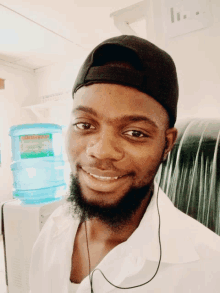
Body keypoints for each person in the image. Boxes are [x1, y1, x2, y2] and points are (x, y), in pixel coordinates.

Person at [29, 35, 220, 293]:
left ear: (167, 144)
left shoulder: (208, 268)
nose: (102, 152)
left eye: (135, 133)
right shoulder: (54, 228)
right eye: (84, 125)